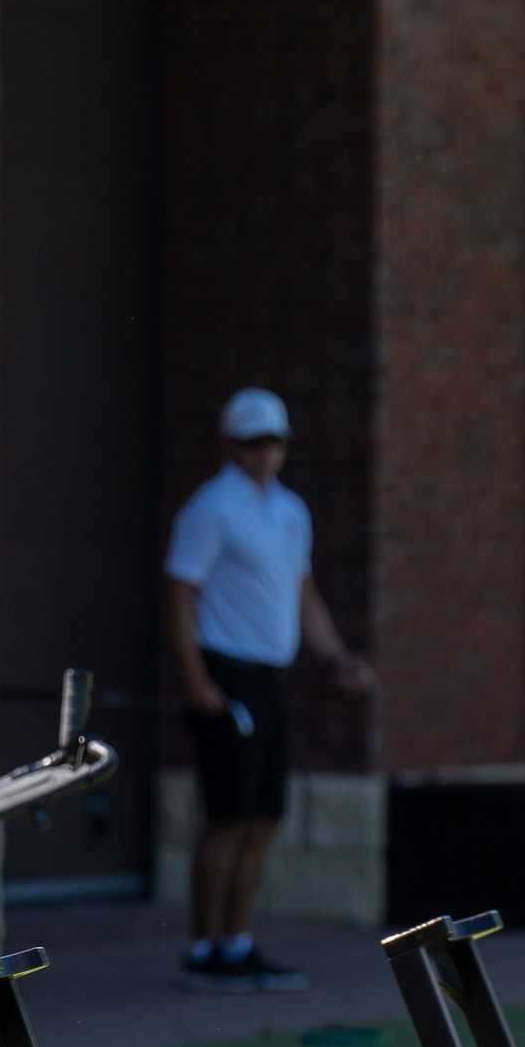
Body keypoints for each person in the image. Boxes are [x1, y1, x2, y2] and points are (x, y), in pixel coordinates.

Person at [165, 387, 375, 991]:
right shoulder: (211, 508)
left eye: (276, 441)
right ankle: (203, 948)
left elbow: (302, 594)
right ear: (232, 444)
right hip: (226, 678)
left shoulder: (291, 511)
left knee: (264, 819)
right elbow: (179, 594)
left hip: (271, 680)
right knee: (227, 818)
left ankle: (239, 940)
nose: (267, 452)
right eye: (255, 441)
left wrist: (336, 657)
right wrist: (197, 680)